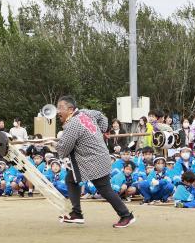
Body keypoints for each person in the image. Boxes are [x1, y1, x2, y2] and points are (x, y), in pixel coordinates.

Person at [54, 95, 135, 228]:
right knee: (71, 179)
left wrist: (53, 145)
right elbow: (102, 117)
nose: (58, 111)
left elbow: (64, 148)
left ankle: (126, 215)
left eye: (60, 108)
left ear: (70, 109)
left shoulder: (73, 124)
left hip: (93, 160)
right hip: (96, 157)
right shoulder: (86, 113)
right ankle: (76, 213)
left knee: (104, 189)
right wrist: (103, 130)